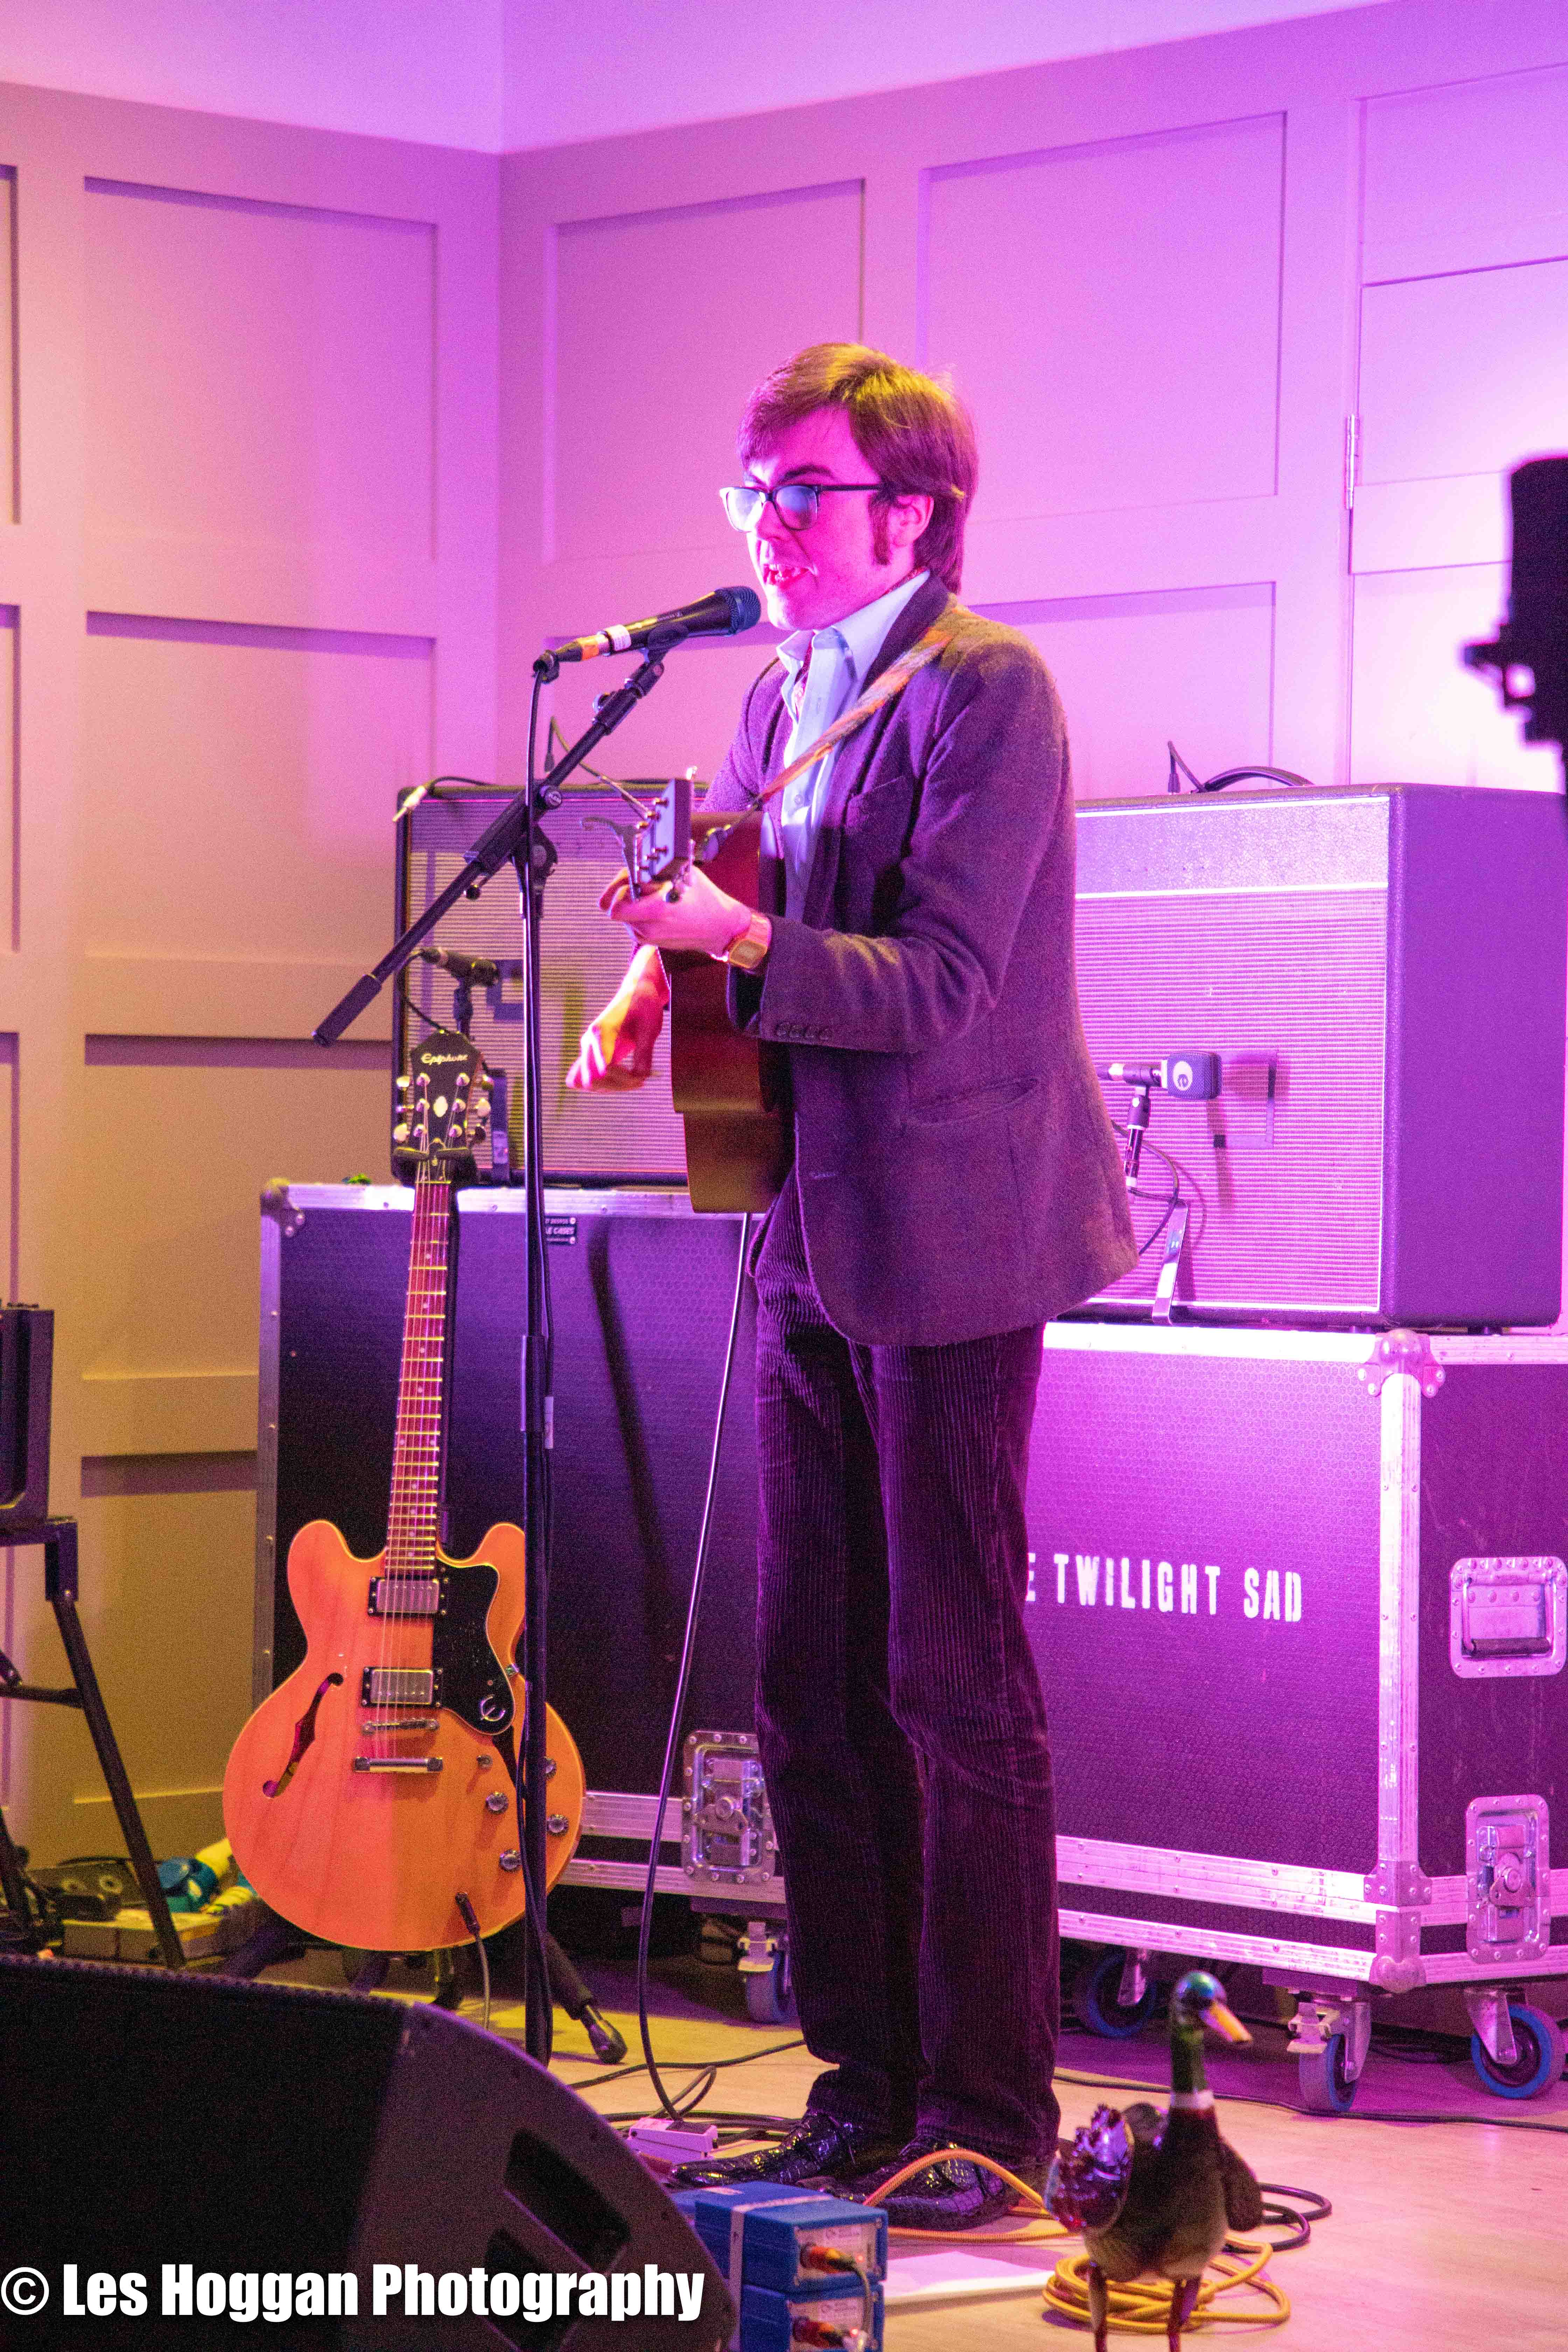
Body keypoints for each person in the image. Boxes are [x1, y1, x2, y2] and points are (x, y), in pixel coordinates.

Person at [567, 343, 1134, 2229]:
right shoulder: (774, 693)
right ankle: (864, 2085)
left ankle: (989, 2116)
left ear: (915, 511)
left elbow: (943, 983)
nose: (769, 527)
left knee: (950, 1685)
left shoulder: (987, 691)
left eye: (802, 494)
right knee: (810, 1684)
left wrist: (736, 936)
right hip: (803, 1228)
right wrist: (653, 976)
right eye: (754, 493)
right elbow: (741, 900)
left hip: (958, 1237)